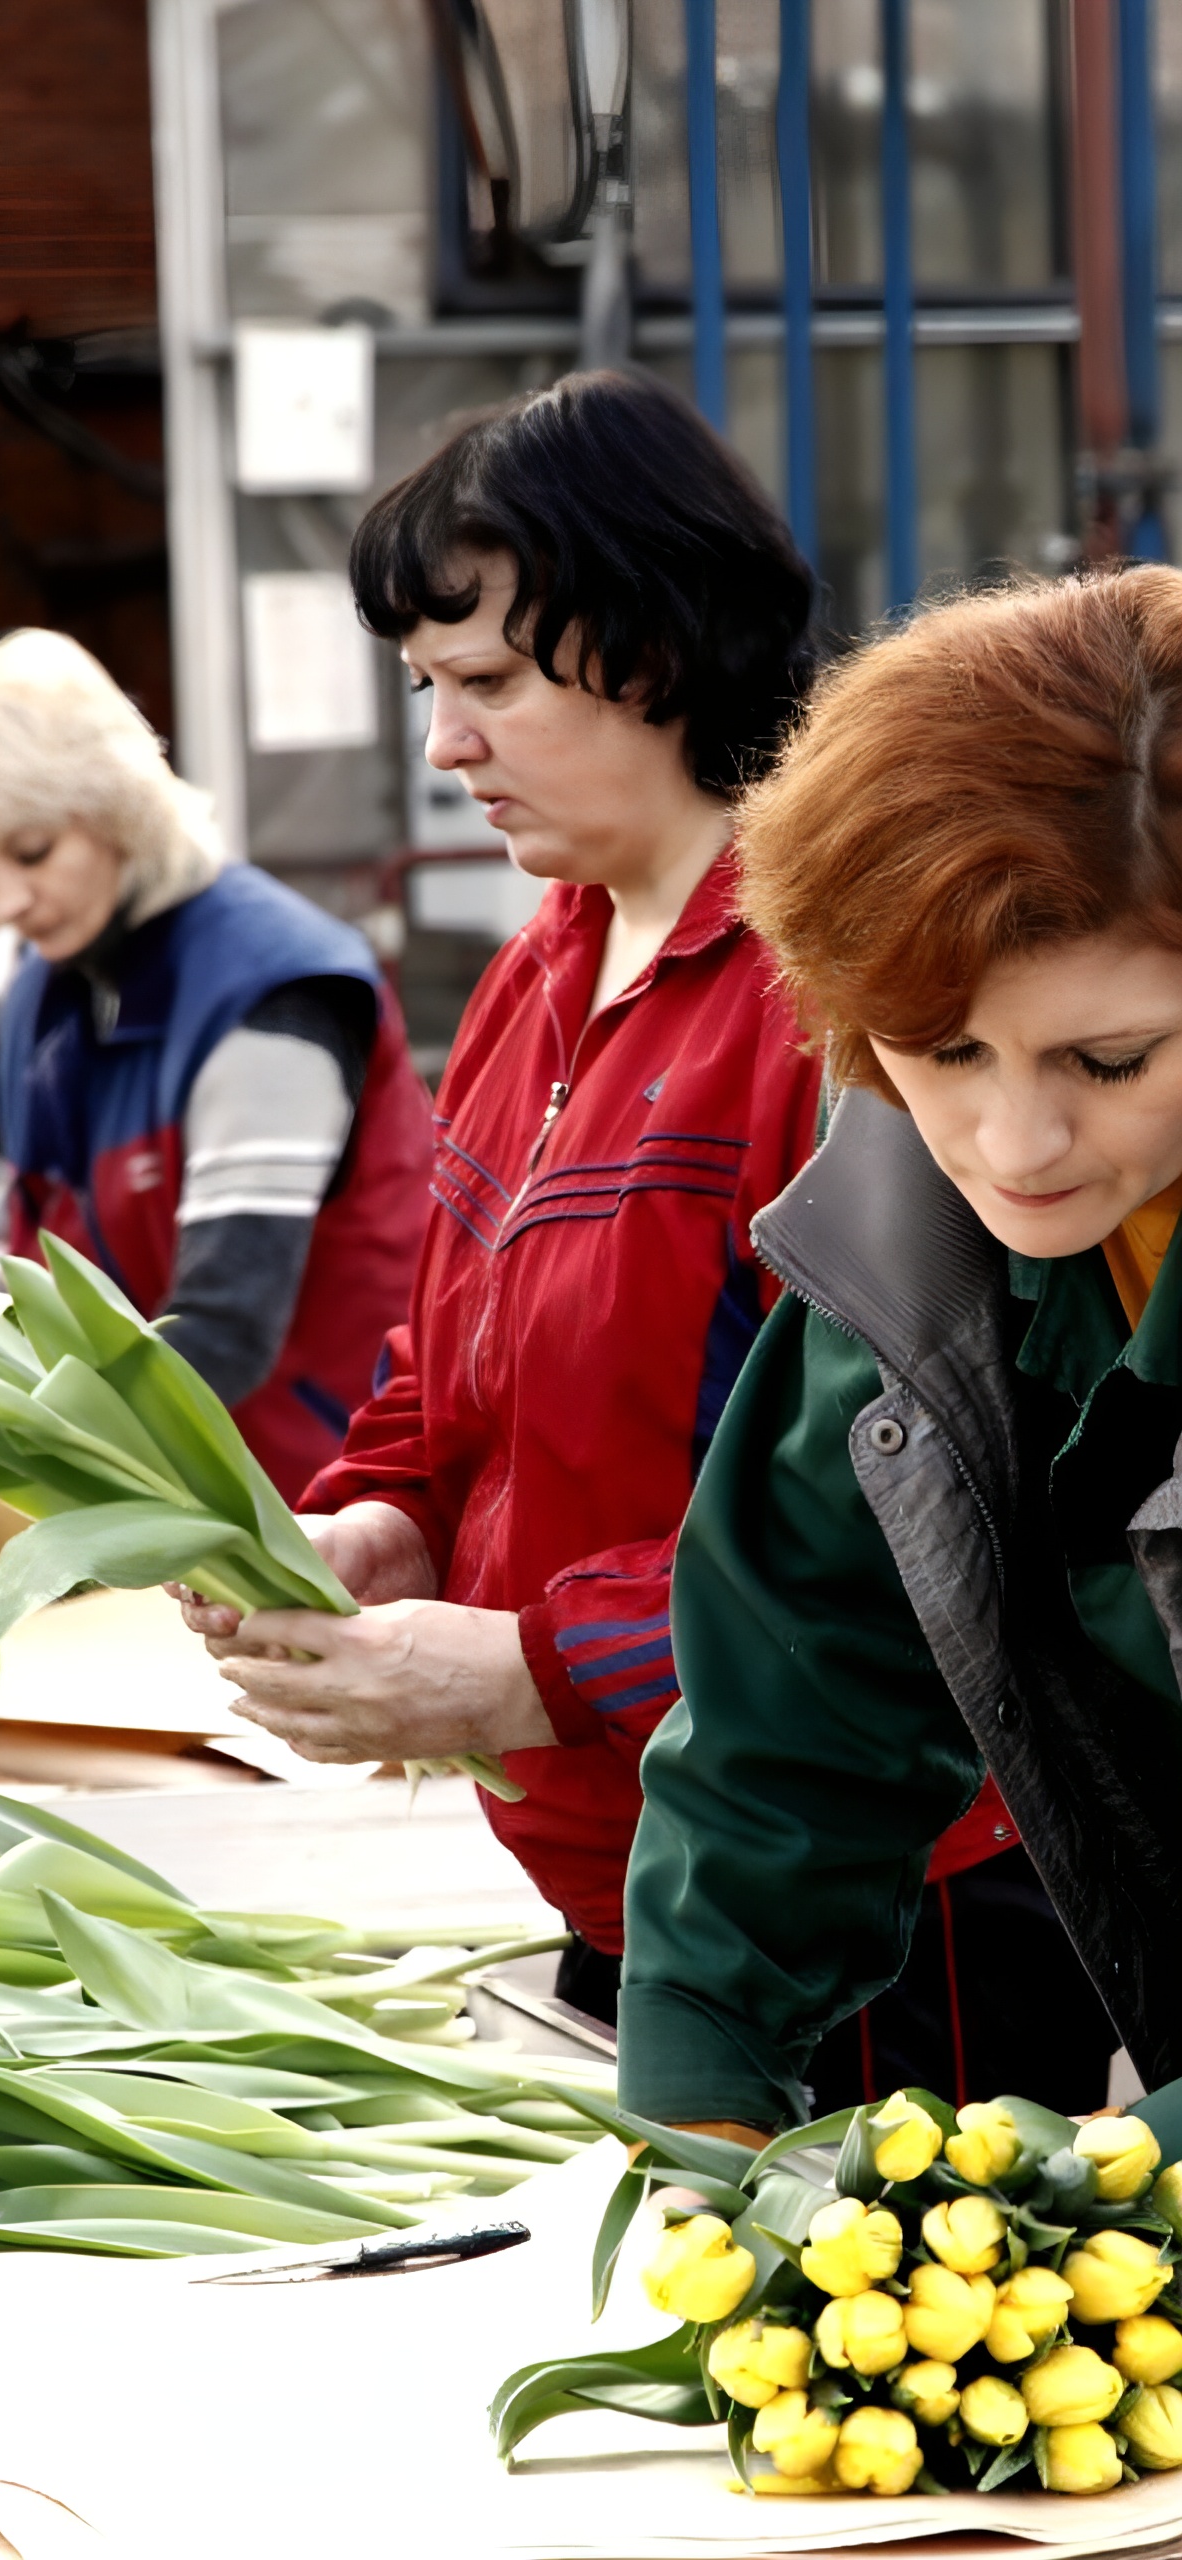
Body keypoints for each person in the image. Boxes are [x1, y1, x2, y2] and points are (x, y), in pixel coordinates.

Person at [177, 370, 824, 2024]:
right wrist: (371, 1528)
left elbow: (892, 1514)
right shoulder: (540, 963)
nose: (447, 743)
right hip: (618, 1870)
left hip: (850, 1905)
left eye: (491, 682)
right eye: (427, 687)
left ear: (657, 648)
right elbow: (444, 1353)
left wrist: (540, 1669)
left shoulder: (832, 1001)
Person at [619, 567, 1182, 2142]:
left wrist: (1111, 2196)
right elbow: (794, 1696)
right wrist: (704, 2096)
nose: (1017, 1144)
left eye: (1112, 1058)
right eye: (942, 1054)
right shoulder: (905, 1230)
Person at [0, 631, 434, 1503]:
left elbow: (222, 1330)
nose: (2, 903)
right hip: (170, 1494)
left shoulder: (273, 994)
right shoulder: (49, 974)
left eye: (30, 853)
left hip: (319, 1504)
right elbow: (43, 1201)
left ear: (115, 805)